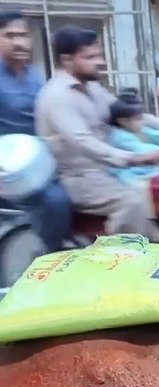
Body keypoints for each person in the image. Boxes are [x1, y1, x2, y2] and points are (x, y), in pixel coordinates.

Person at [36, 27, 159, 243]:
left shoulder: (92, 88)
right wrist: (132, 158)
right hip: (79, 178)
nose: (100, 62)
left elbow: (132, 115)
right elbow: (83, 141)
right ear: (67, 60)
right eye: (90, 57)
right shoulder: (57, 96)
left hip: (109, 170)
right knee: (131, 203)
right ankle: (120, 252)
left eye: (99, 55)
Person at [0, 10, 71, 252]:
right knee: (56, 201)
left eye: (24, 35)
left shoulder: (35, 75)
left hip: (44, 156)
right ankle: (49, 255)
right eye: (9, 35)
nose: (19, 42)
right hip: (11, 169)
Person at [105, 97, 159, 183]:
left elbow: (156, 135)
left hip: (150, 167)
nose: (142, 121)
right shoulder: (120, 137)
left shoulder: (137, 129)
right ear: (122, 121)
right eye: (138, 119)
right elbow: (144, 151)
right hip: (130, 175)